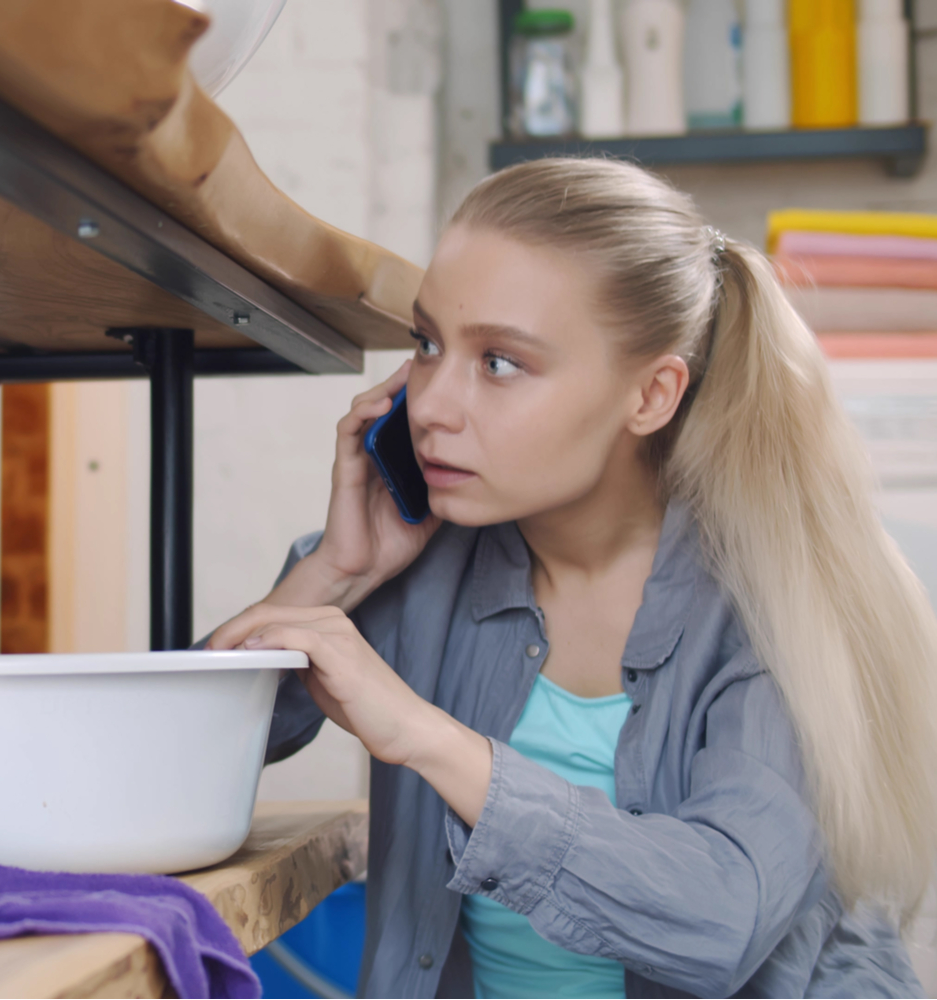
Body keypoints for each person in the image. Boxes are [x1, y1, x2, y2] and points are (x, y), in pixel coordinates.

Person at [208, 158, 936, 998]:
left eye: (501, 364)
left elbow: (719, 918)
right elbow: (144, 783)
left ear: (652, 395)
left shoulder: (776, 605)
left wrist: (426, 736)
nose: (433, 405)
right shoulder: (414, 561)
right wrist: (334, 575)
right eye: (428, 344)